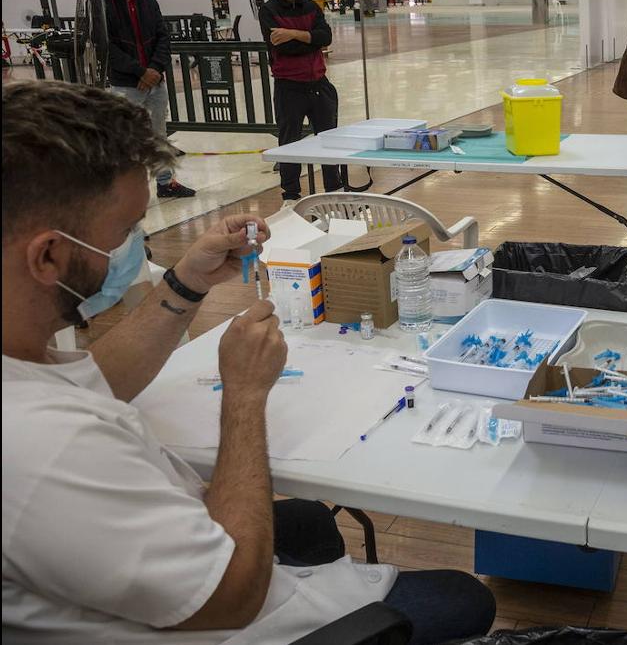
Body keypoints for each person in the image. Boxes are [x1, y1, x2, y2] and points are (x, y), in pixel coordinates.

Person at [1, 81, 496, 644]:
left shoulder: (21, 363)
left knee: (308, 517)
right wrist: (244, 396)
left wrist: (185, 283)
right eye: (124, 232)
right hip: (230, 616)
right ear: (48, 255)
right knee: (462, 599)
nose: (140, 246)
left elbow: (95, 383)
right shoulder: (45, 446)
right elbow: (231, 597)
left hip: (162, 562)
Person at [101, 0, 196, 199]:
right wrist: (138, 71)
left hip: (155, 81)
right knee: (127, 140)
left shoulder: (147, 0)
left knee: (158, 136)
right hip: (125, 84)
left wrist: (154, 68)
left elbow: (163, 37)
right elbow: (105, 45)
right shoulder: (100, 2)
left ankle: (166, 183)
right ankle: (128, 193)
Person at [260, 0, 345, 202]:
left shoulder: (310, 7)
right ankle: (291, 197)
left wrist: (293, 33)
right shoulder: (268, 11)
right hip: (289, 88)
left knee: (329, 141)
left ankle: (334, 190)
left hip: (319, 85)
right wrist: (308, 37)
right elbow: (284, 48)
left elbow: (325, 37)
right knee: (289, 144)